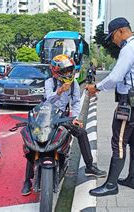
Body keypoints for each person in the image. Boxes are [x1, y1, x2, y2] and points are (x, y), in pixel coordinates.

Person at [21, 54, 107, 196]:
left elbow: (76, 102)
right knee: (34, 142)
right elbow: (48, 101)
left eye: (69, 70)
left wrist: (75, 118)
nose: (68, 73)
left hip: (62, 117)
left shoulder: (74, 84)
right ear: (56, 71)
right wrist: (59, 91)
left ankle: (90, 166)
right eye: (65, 71)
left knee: (82, 132)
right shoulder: (50, 82)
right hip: (46, 116)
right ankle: (27, 181)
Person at [86, 17, 134, 197]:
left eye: (112, 36)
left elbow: (115, 77)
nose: (113, 41)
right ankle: (133, 179)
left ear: (121, 31)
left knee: (119, 142)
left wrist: (96, 87)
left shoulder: (129, 49)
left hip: (128, 105)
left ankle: (111, 185)